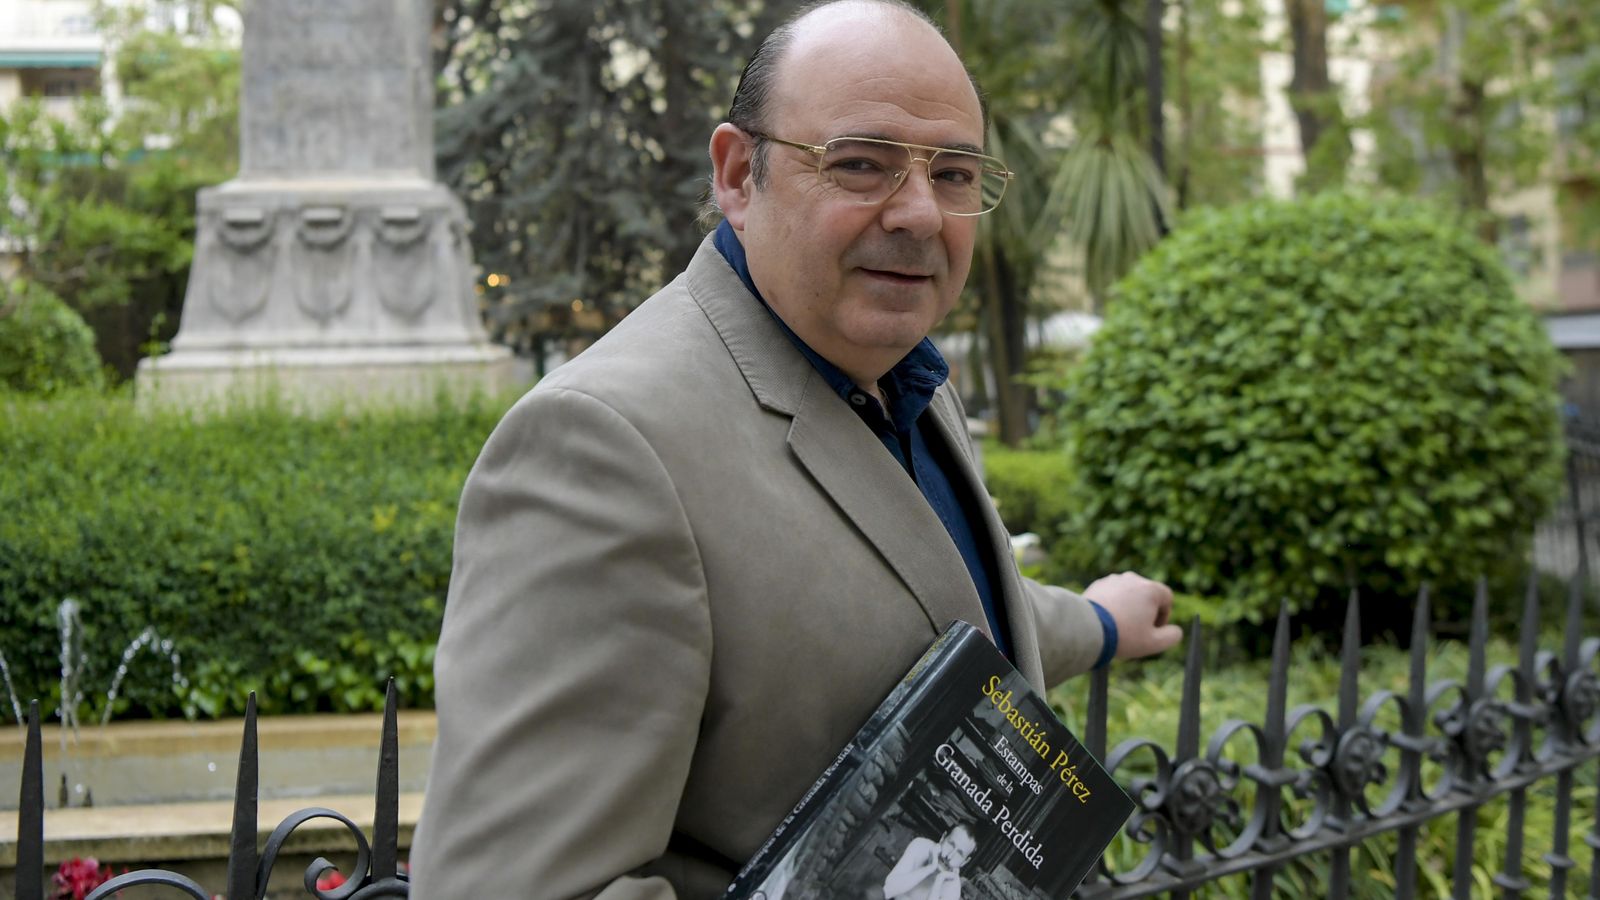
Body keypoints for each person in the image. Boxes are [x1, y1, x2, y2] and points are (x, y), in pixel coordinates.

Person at [411, 2, 1183, 897]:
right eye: (861, 164)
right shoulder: (602, 448)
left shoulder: (903, 378)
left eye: (956, 173)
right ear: (740, 175)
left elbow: (931, 602)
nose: (923, 215)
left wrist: (1096, 622)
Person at [882, 826, 977, 900]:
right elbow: (887, 890)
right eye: (951, 844)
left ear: (964, 862)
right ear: (942, 838)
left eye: (959, 854)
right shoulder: (921, 845)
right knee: (873, 893)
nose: (949, 856)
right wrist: (929, 868)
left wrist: (939, 880)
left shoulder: (953, 889)